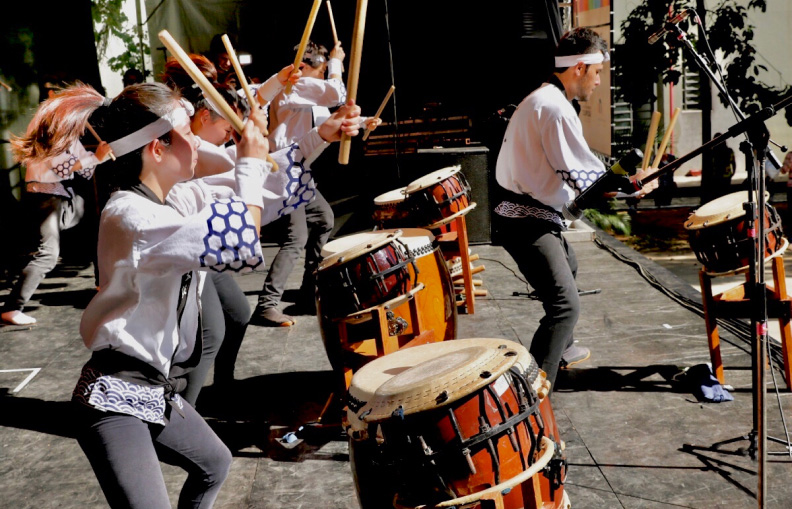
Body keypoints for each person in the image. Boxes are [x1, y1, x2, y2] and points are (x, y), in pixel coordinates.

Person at [59, 81, 360, 507]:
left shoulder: (175, 199)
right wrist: (251, 166)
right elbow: (240, 236)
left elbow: (261, 190)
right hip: (114, 397)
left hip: (154, 389)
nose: (198, 143)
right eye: (188, 133)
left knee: (214, 462)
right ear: (157, 148)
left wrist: (321, 135)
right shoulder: (132, 215)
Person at [493, 27, 655, 391]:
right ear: (580, 68)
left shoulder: (546, 99)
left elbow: (579, 166)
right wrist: (632, 185)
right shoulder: (554, 108)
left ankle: (561, 349)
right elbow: (587, 181)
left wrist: (627, 180)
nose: (599, 82)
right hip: (526, 221)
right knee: (565, 307)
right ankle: (530, 388)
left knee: (571, 264)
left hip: (528, 214)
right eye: (597, 73)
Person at [257, 40, 380, 326]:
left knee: (324, 218)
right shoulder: (291, 87)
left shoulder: (306, 97)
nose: (325, 75)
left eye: (326, 70)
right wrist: (337, 60)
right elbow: (336, 94)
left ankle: (308, 294)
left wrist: (363, 122)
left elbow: (330, 118)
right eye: (322, 70)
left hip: (297, 171)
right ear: (302, 66)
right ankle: (267, 304)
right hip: (281, 171)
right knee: (296, 236)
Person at [1, 88, 112, 325]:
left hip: (57, 196)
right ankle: (12, 307)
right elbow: (62, 168)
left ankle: (100, 279)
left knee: (87, 217)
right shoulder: (50, 127)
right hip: (45, 198)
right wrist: (97, 157)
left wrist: (97, 157)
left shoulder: (64, 132)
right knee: (48, 255)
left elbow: (83, 170)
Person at [700, 134, 735, 205]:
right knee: (725, 194)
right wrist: (732, 173)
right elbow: (733, 163)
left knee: (718, 195)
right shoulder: (728, 151)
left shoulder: (713, 152)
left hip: (717, 176)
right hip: (725, 176)